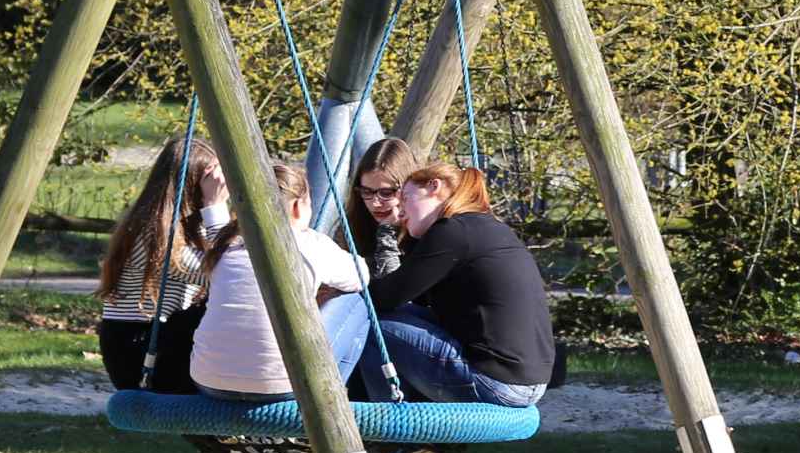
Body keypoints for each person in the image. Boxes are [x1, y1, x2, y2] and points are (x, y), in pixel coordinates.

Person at [359, 162, 554, 407]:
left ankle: (386, 425)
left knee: (366, 322)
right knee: (387, 316)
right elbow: (412, 301)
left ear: (433, 187)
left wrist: (337, 290)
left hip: (497, 384)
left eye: (406, 199)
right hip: (526, 380)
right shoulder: (484, 227)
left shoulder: (451, 231)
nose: (400, 213)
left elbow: (386, 296)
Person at [191, 162, 370, 402]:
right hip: (282, 387)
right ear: (298, 206)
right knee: (355, 300)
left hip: (207, 381)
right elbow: (362, 276)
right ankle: (331, 401)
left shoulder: (225, 243)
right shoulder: (312, 244)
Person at [97, 137, 230, 394]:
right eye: (212, 181)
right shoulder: (152, 233)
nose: (221, 187)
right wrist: (216, 207)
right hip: (138, 353)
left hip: (162, 343)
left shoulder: (188, 227)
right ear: (192, 185)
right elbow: (229, 273)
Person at [340, 137, 420, 279]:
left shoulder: (429, 230)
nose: (375, 203)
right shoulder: (352, 225)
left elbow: (394, 290)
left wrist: (387, 235)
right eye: (367, 191)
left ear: (407, 189)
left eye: (386, 193)